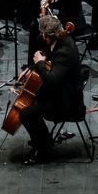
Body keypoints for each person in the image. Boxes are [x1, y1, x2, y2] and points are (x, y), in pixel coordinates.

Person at [17, 15, 82, 165]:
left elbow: (52, 80)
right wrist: (30, 69)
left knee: (26, 114)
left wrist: (39, 63)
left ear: (49, 35)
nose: (42, 36)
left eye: (43, 34)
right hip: (59, 92)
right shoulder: (59, 40)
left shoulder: (66, 50)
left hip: (66, 102)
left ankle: (44, 149)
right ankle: (43, 140)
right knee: (30, 102)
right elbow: (49, 61)